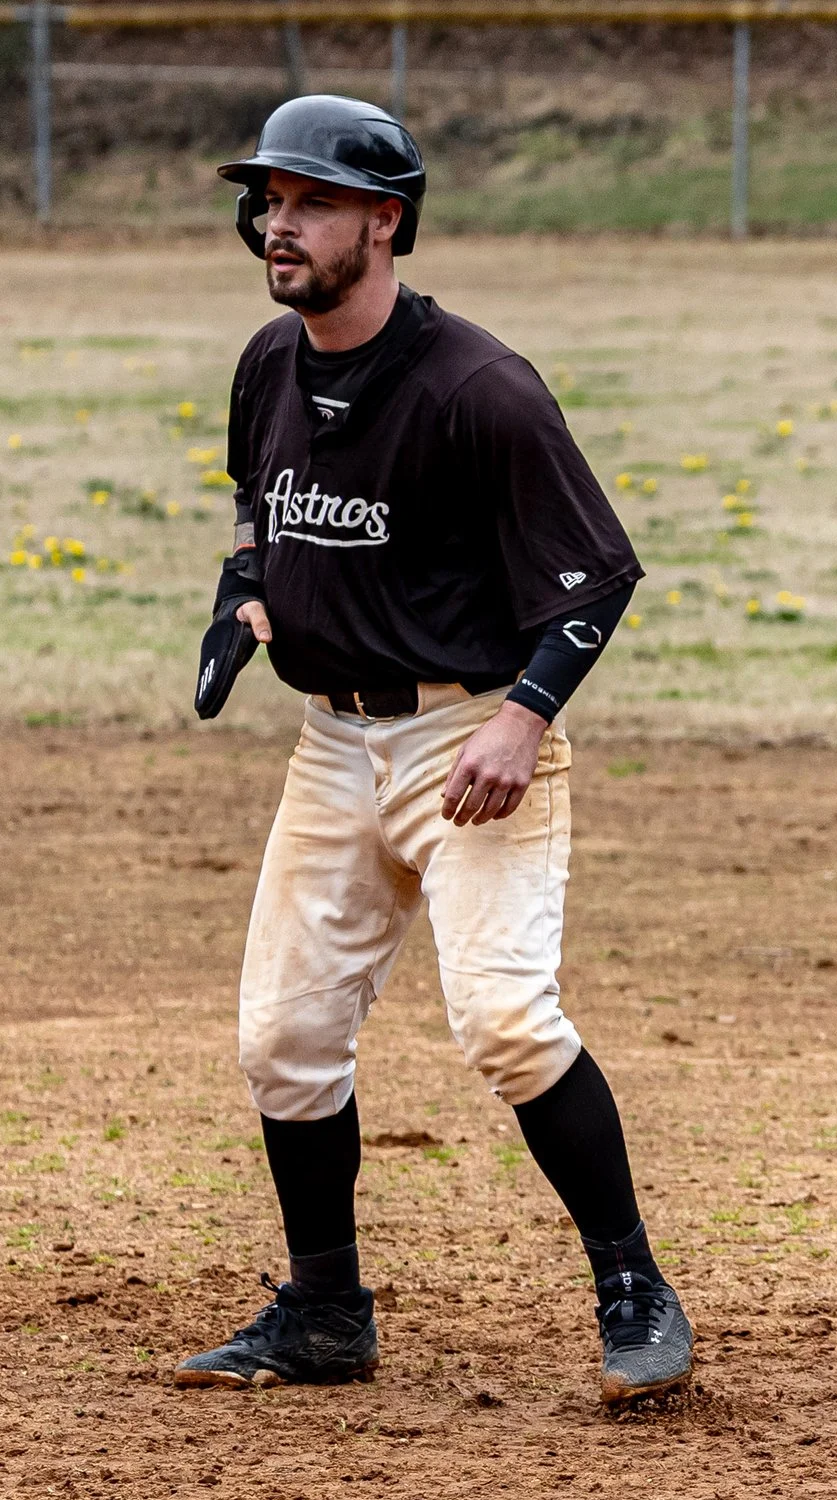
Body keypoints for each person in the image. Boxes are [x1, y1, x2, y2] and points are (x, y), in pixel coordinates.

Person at [174, 95, 691, 1406]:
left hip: (472, 736)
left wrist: (526, 717)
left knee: (507, 1022)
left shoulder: (480, 389)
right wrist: (247, 594)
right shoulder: (266, 365)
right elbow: (261, 510)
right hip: (331, 744)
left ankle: (634, 1286)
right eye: (271, 200)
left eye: (312, 201)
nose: (279, 223)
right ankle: (327, 1315)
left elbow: (595, 580)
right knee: (284, 1039)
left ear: (384, 221)